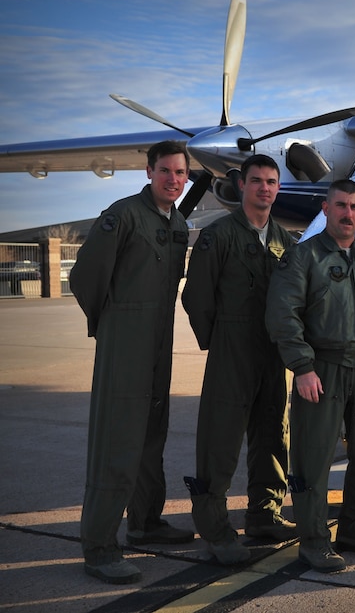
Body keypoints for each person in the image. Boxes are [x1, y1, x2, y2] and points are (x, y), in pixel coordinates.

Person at [69, 140, 194, 584]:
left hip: (160, 343)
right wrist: (113, 325)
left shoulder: (178, 222)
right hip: (126, 344)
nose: (174, 180)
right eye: (166, 171)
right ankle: (100, 547)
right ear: (148, 172)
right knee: (116, 443)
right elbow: (84, 276)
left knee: (150, 436)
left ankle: (146, 522)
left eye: (181, 173)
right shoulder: (122, 215)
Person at [265, 179, 355, 573]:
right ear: (326, 209)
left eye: (354, 206)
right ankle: (313, 542)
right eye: (340, 205)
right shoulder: (303, 258)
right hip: (321, 368)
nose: (347, 213)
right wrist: (303, 368)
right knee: (314, 458)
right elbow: (282, 315)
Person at [181, 154, 296, 566]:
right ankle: (214, 529)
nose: (264, 188)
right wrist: (218, 339)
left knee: (272, 433)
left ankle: (265, 515)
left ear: (277, 188)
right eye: (256, 181)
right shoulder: (219, 235)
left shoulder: (286, 240)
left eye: (271, 181)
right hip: (232, 347)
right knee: (221, 438)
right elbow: (196, 296)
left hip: (272, 351)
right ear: (242, 186)